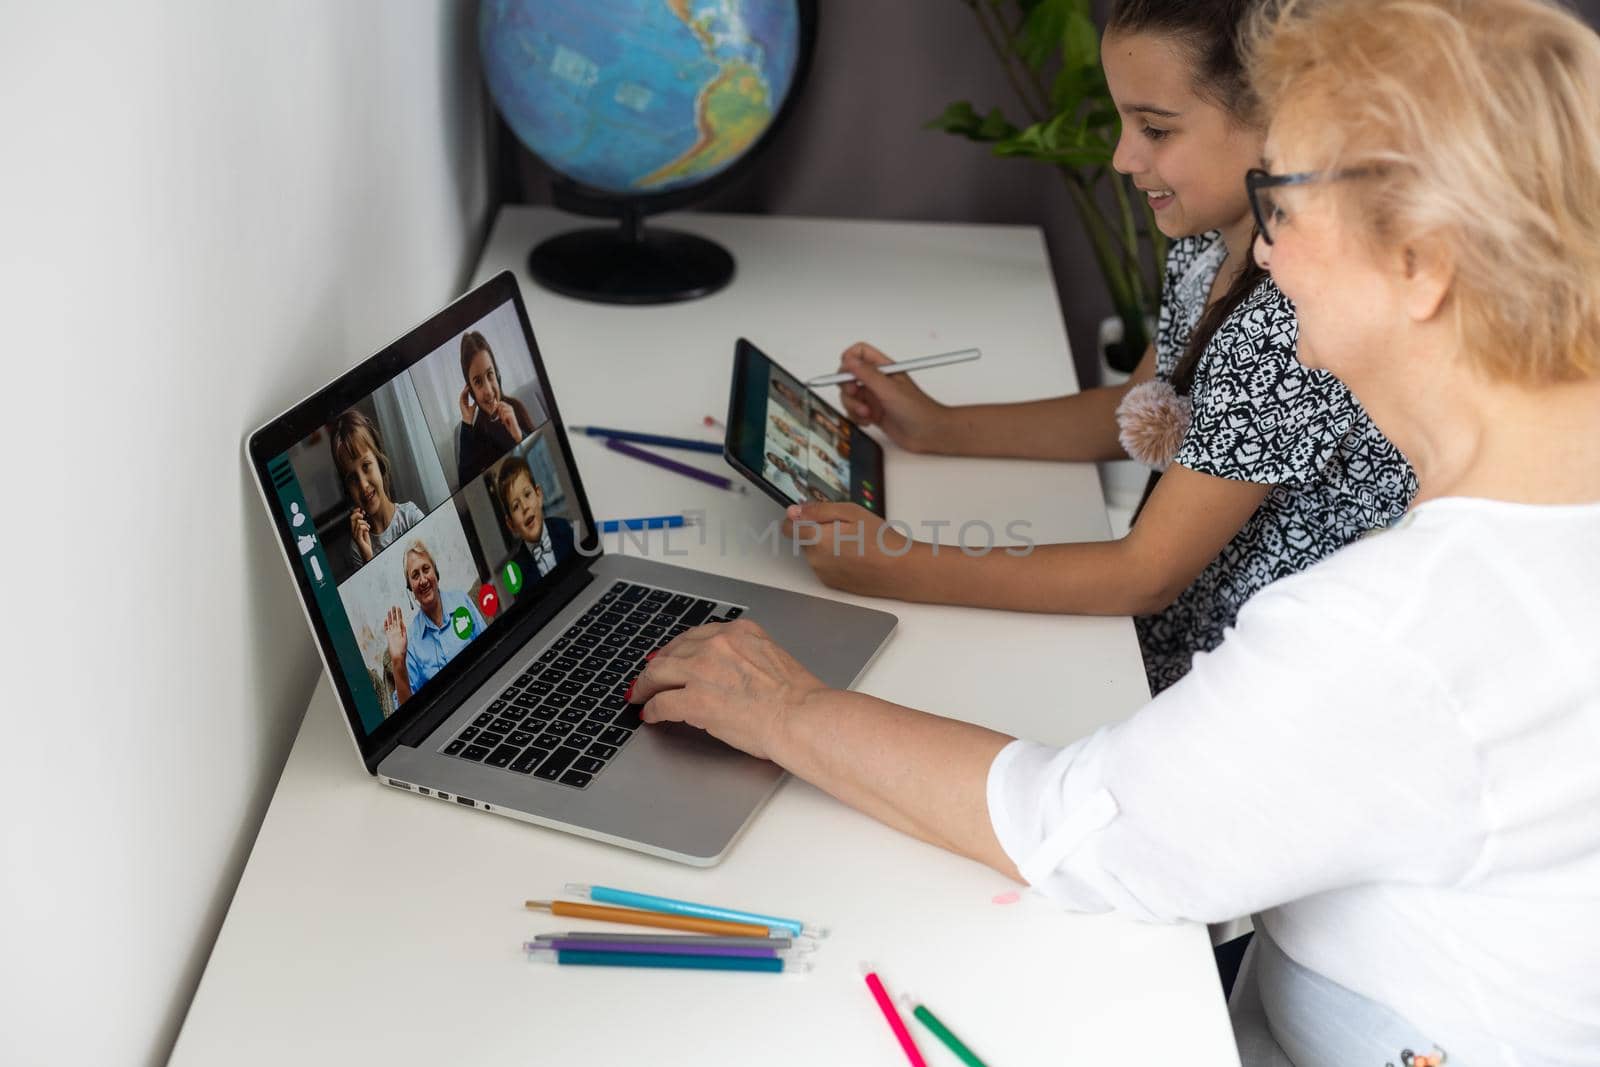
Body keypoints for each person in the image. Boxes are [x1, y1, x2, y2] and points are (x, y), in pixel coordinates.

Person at [629, 0, 1600, 1061]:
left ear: (1419, 259)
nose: (1264, 253)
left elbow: (1074, 828)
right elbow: (1156, 413)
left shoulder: (1391, 632)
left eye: (1283, 195)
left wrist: (784, 706)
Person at [785, 0, 1416, 692]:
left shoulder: (1291, 320)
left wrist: (897, 563)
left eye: (1154, 128)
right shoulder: (1211, 246)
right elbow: (1139, 406)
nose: (1123, 156)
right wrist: (938, 427)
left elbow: (1145, 573)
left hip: (1250, 688)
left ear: (1278, 120)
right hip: (1173, 646)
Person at [383, 539, 485, 705]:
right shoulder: (411, 642)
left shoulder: (461, 601)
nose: (423, 580)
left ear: (435, 573)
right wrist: (397, 662)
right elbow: (407, 710)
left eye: (426, 569)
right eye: (415, 576)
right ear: (410, 588)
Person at [329, 409, 424, 568]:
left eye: (366, 466)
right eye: (352, 478)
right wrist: (368, 559)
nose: (363, 485)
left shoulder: (410, 517)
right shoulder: (357, 548)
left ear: (379, 463)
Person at [456, 330, 537, 486]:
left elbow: (543, 457)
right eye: (478, 382)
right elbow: (466, 488)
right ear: (471, 391)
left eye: (490, 374)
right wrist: (466, 422)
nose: (488, 390)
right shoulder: (473, 434)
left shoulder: (516, 409)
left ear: (497, 375)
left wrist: (519, 436)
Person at [494, 455, 574, 583]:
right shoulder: (516, 572)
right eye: (516, 506)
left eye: (527, 495)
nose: (525, 507)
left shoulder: (564, 528)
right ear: (511, 524)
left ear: (539, 495)